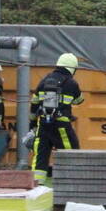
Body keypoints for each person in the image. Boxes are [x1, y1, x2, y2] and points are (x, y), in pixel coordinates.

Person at [30, 52, 84, 183]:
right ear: (72, 68)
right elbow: (79, 100)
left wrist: (33, 123)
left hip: (43, 125)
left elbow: (34, 103)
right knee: (71, 152)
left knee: (41, 156)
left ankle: (36, 184)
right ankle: (71, 182)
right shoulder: (72, 83)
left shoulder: (44, 81)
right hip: (61, 125)